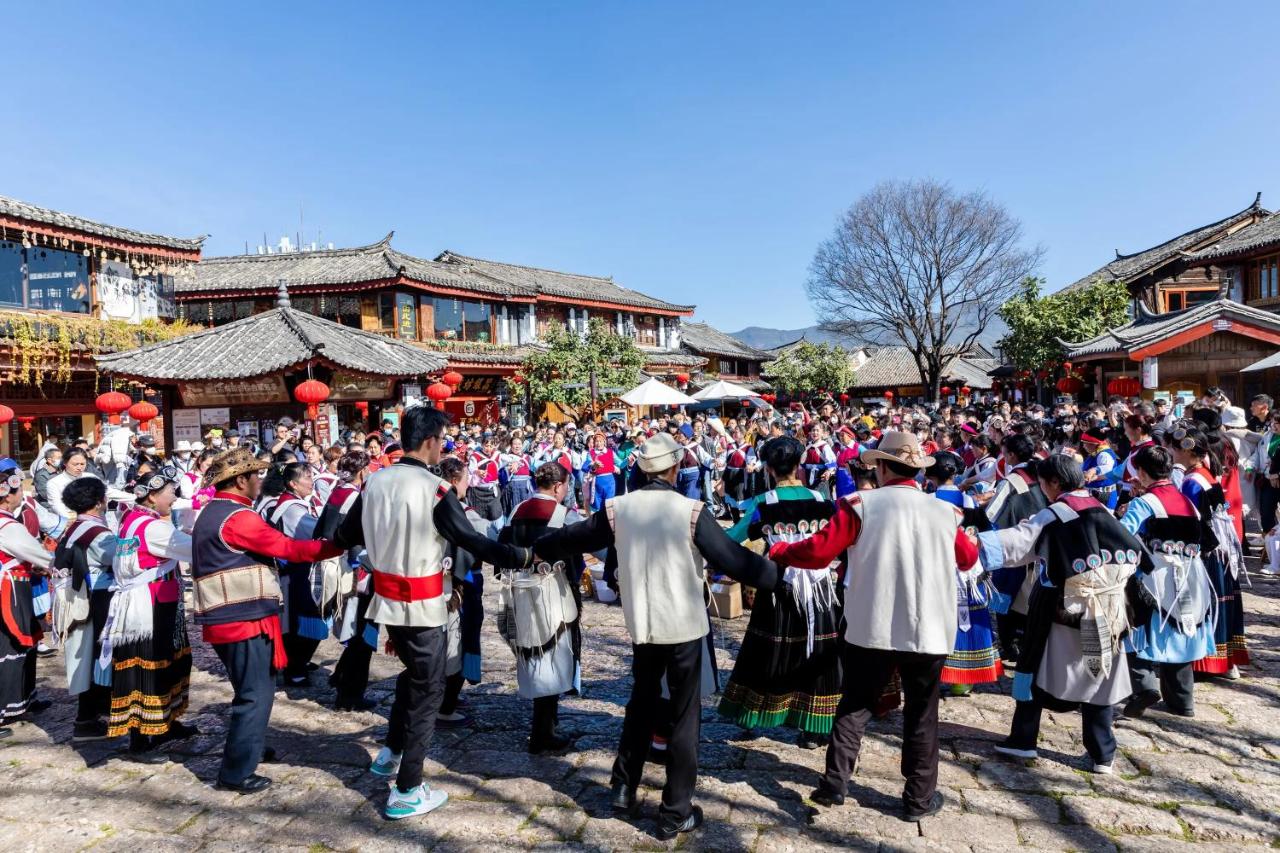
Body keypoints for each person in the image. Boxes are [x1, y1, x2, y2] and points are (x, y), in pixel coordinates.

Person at [533, 432, 780, 841]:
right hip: (683, 624)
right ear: (674, 466)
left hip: (642, 624)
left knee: (641, 701)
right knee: (684, 717)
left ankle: (624, 787)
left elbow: (574, 536)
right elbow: (734, 560)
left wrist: (538, 547)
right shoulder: (690, 510)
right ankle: (674, 809)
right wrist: (776, 575)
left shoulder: (618, 508)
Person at [335, 404, 534, 821]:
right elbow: (470, 539)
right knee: (429, 692)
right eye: (441, 440)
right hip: (424, 607)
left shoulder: (373, 483)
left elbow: (344, 534)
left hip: (387, 601)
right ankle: (407, 788)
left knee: (414, 676)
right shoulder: (434, 489)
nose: (441, 447)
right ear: (429, 441)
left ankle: (390, 752)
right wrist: (518, 555)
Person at [769, 430, 979, 822]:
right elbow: (968, 558)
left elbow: (818, 553)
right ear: (916, 470)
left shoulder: (859, 506)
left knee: (855, 705)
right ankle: (918, 800)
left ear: (881, 467)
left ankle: (835, 783)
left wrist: (780, 550)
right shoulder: (945, 512)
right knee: (922, 714)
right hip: (928, 628)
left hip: (872, 624)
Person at [190, 448, 345, 793]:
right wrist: (337, 546)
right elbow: (290, 548)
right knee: (255, 693)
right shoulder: (238, 517)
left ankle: (251, 746)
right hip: (241, 616)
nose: (261, 481)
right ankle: (235, 772)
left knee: (251, 690)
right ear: (241, 480)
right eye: (256, 476)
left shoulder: (215, 511)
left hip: (232, 614)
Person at [978, 455, 1141, 773]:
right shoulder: (1101, 508)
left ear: (1053, 482)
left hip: (1061, 607)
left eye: (1043, 482)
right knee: (1099, 672)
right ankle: (1101, 753)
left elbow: (1019, 542)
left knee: (1035, 666)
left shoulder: (1055, 513)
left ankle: (1023, 740)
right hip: (1108, 609)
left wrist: (972, 544)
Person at [719, 436, 842, 749]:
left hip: (779, 588)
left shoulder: (764, 504)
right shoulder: (822, 500)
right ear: (799, 466)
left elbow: (732, 538)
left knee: (766, 653)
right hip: (822, 593)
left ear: (768, 468)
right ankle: (816, 727)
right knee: (816, 656)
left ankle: (754, 716)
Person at [1117, 446, 1216, 719]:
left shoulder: (1144, 503)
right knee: (1182, 631)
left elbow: (1122, 535)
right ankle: (1182, 700)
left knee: (1137, 627)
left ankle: (1144, 686)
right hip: (1191, 576)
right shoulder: (1188, 503)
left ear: (1141, 472)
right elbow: (1207, 540)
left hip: (1154, 576)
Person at [497, 462, 584, 754]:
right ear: (558, 486)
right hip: (555, 594)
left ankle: (548, 725)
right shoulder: (563, 515)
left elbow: (502, 553)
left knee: (533, 654)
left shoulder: (517, 510)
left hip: (521, 592)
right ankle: (543, 732)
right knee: (553, 654)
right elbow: (576, 559)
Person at [1175, 428, 1247, 680]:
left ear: (1186, 449)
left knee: (1208, 603)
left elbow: (1191, 519)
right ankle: (1227, 662)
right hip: (1221, 548)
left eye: (1174, 448)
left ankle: (1208, 661)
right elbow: (1221, 508)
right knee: (1222, 601)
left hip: (1207, 549)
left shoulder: (1192, 481)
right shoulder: (1206, 474)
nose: (1172, 453)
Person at [925, 455, 1000, 697]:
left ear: (930, 475)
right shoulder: (968, 500)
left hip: (938, 571)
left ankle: (935, 673)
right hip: (967, 571)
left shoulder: (927, 501)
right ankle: (962, 679)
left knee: (935, 621)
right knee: (966, 621)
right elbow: (984, 531)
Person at [52, 477, 117, 742]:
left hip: (78, 596)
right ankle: (89, 718)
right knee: (96, 657)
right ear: (99, 502)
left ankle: (92, 714)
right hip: (94, 598)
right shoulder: (96, 533)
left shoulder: (75, 526)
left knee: (87, 657)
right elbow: (118, 557)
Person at [984, 434, 1048, 666]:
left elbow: (992, 512)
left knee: (1005, 597)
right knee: (1032, 598)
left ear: (1011, 455)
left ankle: (1009, 644)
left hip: (1014, 547)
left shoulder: (1012, 480)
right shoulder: (1042, 471)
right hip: (1042, 546)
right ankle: (1027, 642)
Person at [321, 451, 378, 712]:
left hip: (344, 567)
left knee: (355, 631)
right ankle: (351, 692)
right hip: (357, 572)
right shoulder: (357, 497)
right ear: (363, 471)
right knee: (361, 633)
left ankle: (341, 675)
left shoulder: (336, 492)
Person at [0, 465, 53, 735]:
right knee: (10, 644)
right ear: (6, 493)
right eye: (18, 488)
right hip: (9, 589)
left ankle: (23, 698)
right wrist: (53, 562)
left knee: (24, 641)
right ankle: (5, 707)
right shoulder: (7, 525)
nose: (22, 492)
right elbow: (40, 554)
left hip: (14, 586)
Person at [32, 446, 62, 511]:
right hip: (49, 509)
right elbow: (45, 494)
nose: (61, 460)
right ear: (49, 460)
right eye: (59, 458)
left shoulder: (60, 471)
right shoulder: (41, 475)